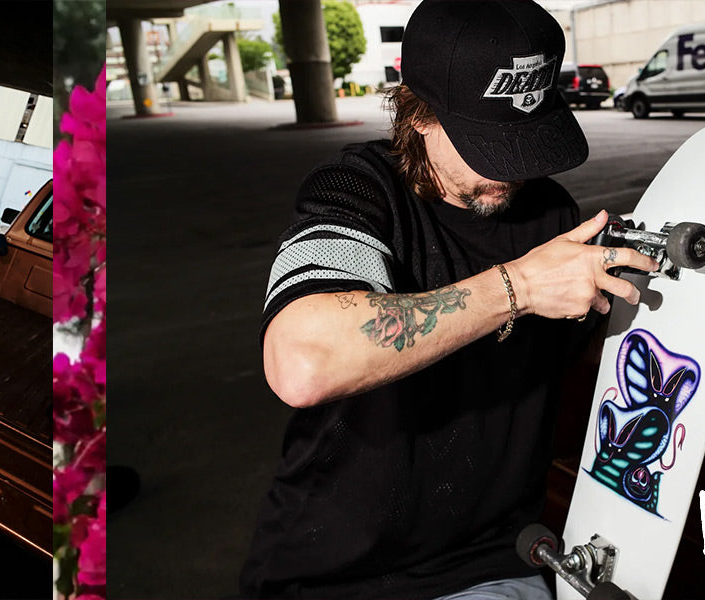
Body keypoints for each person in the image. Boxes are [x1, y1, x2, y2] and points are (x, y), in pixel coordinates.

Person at [243, 1, 657, 598]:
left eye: (526, 138)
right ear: (417, 113)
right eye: (487, 141)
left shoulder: (553, 215)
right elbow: (302, 361)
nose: (513, 171)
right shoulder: (357, 191)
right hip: (331, 572)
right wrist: (518, 288)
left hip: (490, 562)